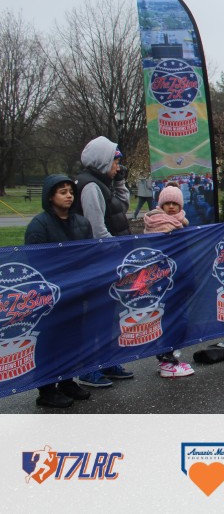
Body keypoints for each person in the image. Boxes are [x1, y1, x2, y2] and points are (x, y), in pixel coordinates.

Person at [24, 174, 94, 408]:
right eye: (63, 192)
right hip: (51, 296)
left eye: (71, 192)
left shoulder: (82, 223)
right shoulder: (39, 225)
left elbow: (89, 255)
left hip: (77, 293)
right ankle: (46, 389)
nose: (69, 196)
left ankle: (67, 381)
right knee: (50, 342)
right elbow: (35, 262)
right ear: (50, 196)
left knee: (73, 339)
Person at [72, 136, 134, 387]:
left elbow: (121, 207)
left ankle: (106, 361)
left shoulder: (103, 183)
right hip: (98, 261)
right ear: (103, 161)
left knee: (109, 314)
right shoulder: (90, 187)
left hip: (108, 259)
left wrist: (120, 182)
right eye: (115, 162)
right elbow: (97, 231)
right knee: (96, 316)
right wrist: (121, 250)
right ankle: (89, 368)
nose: (118, 167)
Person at [140, 183, 196, 377]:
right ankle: (167, 360)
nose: (171, 207)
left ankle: (170, 357)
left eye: (175, 203)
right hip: (167, 282)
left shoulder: (179, 223)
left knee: (178, 319)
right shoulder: (161, 226)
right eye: (167, 203)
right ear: (161, 205)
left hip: (180, 278)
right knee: (172, 320)